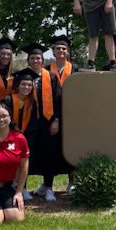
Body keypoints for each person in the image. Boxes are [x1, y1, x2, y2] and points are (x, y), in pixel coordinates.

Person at [21, 43, 63, 202]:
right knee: (26, 154)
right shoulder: (22, 77)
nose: (35, 61)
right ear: (28, 60)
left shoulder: (51, 77)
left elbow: (58, 100)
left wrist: (56, 120)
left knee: (49, 153)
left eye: (38, 58)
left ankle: (49, 188)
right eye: (32, 58)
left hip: (47, 122)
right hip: (28, 122)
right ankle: (23, 187)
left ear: (42, 60)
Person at [45, 35, 74, 194]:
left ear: (67, 51)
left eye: (63, 48)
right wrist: (54, 118)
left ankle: (72, 182)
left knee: (71, 148)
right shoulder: (46, 70)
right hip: (51, 115)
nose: (61, 51)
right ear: (53, 51)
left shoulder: (75, 69)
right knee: (51, 149)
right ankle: (47, 184)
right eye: (58, 48)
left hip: (71, 115)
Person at [7, 68, 41, 201]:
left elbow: (34, 123)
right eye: (23, 84)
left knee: (24, 162)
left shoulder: (32, 102)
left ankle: (23, 187)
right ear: (18, 85)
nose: (26, 87)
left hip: (26, 137)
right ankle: (9, 186)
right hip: (9, 136)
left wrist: (26, 138)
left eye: (29, 85)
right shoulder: (8, 100)